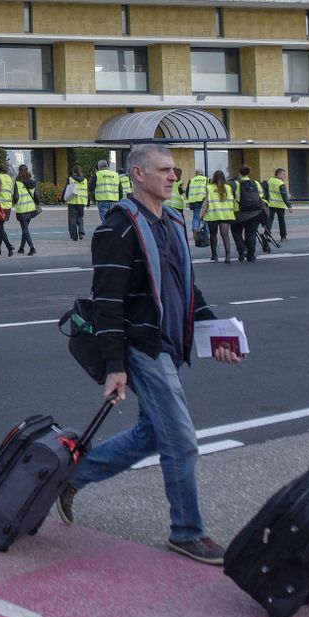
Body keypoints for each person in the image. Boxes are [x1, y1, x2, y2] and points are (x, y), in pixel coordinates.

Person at [57, 144, 242, 565]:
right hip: (143, 349)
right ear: (137, 174)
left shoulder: (174, 222)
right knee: (182, 441)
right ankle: (187, 532)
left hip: (172, 346)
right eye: (164, 169)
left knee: (152, 434)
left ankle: (73, 475)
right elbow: (107, 303)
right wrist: (115, 366)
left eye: (175, 170)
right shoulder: (118, 229)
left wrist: (218, 333)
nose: (174, 176)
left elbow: (186, 288)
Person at [201, 170, 236, 263]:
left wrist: (202, 214)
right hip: (226, 215)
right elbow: (233, 201)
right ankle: (228, 256)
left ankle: (214, 255)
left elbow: (206, 202)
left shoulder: (209, 188)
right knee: (225, 235)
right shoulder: (228, 188)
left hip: (213, 215)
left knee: (213, 235)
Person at [233, 165, 264, 262]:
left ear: (239, 173)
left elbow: (234, 197)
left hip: (239, 212)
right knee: (251, 233)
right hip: (255, 212)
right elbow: (261, 195)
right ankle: (251, 255)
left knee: (236, 232)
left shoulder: (236, 183)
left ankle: (242, 250)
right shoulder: (256, 183)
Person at [13, 164, 41, 255]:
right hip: (31, 208)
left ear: (19, 171)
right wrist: (37, 204)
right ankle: (21, 248)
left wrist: (13, 200)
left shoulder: (18, 183)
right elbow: (37, 196)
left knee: (25, 229)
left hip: (22, 209)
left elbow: (16, 198)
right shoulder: (33, 182)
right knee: (25, 229)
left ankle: (32, 247)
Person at [264, 167, 292, 242]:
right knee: (281, 221)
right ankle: (283, 236)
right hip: (280, 205)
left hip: (271, 204)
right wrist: (289, 206)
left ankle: (266, 235)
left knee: (269, 220)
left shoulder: (269, 181)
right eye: (283, 174)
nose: (284, 176)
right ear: (278, 174)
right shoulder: (281, 183)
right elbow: (284, 195)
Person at [64, 167, 89, 241]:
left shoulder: (70, 179)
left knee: (72, 219)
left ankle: (74, 236)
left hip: (72, 201)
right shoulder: (85, 180)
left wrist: (62, 198)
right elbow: (87, 191)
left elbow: (66, 189)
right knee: (80, 217)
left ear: (73, 172)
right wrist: (88, 202)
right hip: (82, 201)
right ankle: (81, 231)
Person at [186, 166, 209, 239]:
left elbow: (187, 192)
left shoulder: (191, 180)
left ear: (196, 174)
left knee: (196, 217)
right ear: (202, 174)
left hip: (195, 201)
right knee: (206, 217)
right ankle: (207, 234)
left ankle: (195, 230)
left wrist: (190, 199)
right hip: (204, 201)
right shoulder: (207, 180)